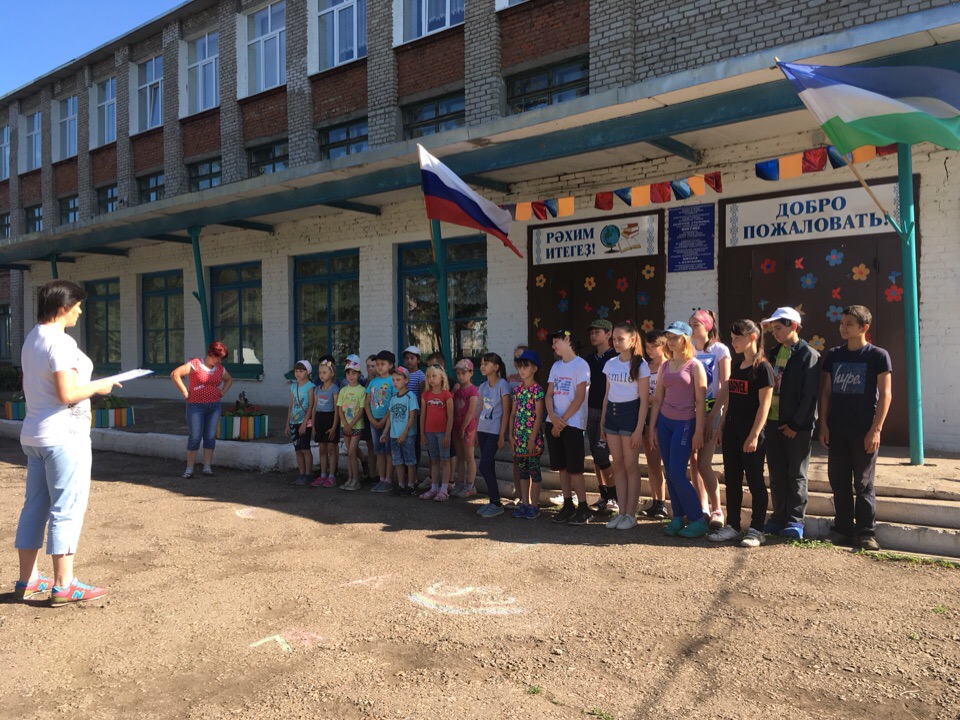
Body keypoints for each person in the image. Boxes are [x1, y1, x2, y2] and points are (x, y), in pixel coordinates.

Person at [14, 280, 119, 606]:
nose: (80, 311)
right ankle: (64, 584)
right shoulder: (60, 342)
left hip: (36, 435)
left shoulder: (32, 338)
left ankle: (28, 579)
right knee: (66, 508)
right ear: (63, 308)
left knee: (34, 507)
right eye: (77, 305)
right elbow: (67, 393)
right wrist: (99, 386)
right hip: (64, 437)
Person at [818, 305, 892, 551]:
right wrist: (823, 424)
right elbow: (825, 392)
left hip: (864, 430)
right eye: (842, 323)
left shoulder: (878, 356)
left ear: (864, 327)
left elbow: (886, 395)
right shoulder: (834, 355)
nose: (843, 327)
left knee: (863, 482)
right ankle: (841, 529)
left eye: (849, 323)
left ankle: (865, 532)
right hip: (837, 429)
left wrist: (876, 430)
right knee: (838, 480)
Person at [707, 320, 774, 546]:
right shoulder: (737, 366)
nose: (733, 342)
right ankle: (733, 526)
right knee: (732, 479)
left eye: (738, 338)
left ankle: (757, 530)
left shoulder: (763, 368)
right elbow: (730, 400)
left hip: (751, 433)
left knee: (755, 481)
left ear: (752, 337)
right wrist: (720, 426)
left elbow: (765, 406)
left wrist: (754, 435)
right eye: (732, 338)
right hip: (732, 431)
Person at [761, 307, 820, 539]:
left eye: (779, 328)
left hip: (797, 427)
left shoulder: (808, 355)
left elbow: (810, 395)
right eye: (773, 329)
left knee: (796, 473)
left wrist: (796, 424)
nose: (774, 333)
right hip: (773, 422)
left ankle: (795, 521)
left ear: (793, 326)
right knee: (776, 473)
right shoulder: (773, 353)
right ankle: (778, 517)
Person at [648, 321, 709, 538]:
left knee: (676, 472)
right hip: (665, 422)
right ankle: (677, 517)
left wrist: (699, 431)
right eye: (669, 337)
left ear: (685, 339)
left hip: (685, 423)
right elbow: (657, 398)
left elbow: (701, 401)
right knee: (669, 472)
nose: (671, 341)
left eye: (675, 337)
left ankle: (698, 519)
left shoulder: (695, 366)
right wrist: (652, 427)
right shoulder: (665, 366)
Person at [600, 322, 650, 530]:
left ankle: (631, 513)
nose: (616, 342)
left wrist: (639, 429)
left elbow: (644, 401)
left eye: (621, 339)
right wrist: (603, 421)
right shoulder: (610, 363)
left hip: (630, 415)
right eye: (614, 339)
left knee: (631, 465)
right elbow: (607, 394)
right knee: (618, 464)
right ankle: (621, 512)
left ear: (632, 340)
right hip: (612, 415)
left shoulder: (641, 365)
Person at [688, 309, 731, 530]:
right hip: (689, 411)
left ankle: (717, 509)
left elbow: (726, 383)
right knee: (693, 462)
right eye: (690, 325)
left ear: (707, 326)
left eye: (696, 325)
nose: (692, 329)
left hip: (710, 410)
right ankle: (702, 507)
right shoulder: (688, 349)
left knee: (704, 462)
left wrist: (715, 415)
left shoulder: (720, 350)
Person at [545, 329, 592, 526]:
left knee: (575, 469)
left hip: (572, 424)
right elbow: (549, 394)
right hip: (553, 423)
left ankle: (583, 507)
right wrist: (553, 418)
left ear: (567, 340)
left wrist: (562, 421)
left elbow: (580, 397)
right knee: (561, 467)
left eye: (556, 341)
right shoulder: (556, 366)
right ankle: (567, 504)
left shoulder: (581, 365)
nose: (554, 346)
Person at [170, 340, 233, 478]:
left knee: (210, 437)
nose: (219, 361)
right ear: (210, 354)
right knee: (195, 437)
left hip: (214, 406)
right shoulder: (196, 364)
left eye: (221, 358)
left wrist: (223, 392)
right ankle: (189, 469)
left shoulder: (220, 369)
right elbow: (175, 374)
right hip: (196, 406)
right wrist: (185, 391)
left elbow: (229, 380)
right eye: (218, 358)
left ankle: (207, 467)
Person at [585, 319, 618, 516]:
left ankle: (615, 496)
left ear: (608, 334)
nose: (593, 335)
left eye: (597, 332)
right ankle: (604, 495)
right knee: (595, 455)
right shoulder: (588, 359)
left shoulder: (616, 358)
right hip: (590, 411)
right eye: (591, 332)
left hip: (608, 412)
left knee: (603, 455)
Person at [509, 349, 546, 520]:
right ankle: (524, 502)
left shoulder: (537, 390)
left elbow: (539, 415)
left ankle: (534, 505)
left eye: (526, 366)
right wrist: (511, 435)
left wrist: (532, 438)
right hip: (519, 438)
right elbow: (513, 414)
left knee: (534, 472)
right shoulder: (517, 390)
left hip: (533, 440)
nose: (522, 370)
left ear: (534, 368)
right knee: (523, 472)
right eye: (520, 367)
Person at [475, 353, 511, 517]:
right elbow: (480, 410)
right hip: (482, 430)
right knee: (489, 466)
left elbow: (506, 412)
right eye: (482, 363)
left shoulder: (503, 385)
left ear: (496, 367)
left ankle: (496, 502)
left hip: (494, 431)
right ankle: (493, 501)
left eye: (487, 363)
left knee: (483, 466)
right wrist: (475, 432)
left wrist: (502, 435)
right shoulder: (483, 386)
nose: (483, 366)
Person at [641, 331, 669, 519]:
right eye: (647, 347)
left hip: (664, 417)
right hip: (646, 416)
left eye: (654, 346)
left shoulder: (668, 366)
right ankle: (656, 502)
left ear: (663, 345)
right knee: (652, 463)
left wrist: (649, 398)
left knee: (665, 462)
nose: (650, 350)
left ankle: (663, 503)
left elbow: (664, 396)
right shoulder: (644, 367)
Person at [382, 366, 419, 496]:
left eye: (398, 379)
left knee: (410, 461)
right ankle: (401, 485)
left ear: (406, 380)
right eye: (393, 380)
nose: (395, 382)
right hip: (394, 435)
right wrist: (385, 433)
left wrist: (404, 433)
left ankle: (411, 485)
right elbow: (390, 417)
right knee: (397, 461)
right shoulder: (393, 398)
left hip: (407, 435)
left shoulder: (410, 396)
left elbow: (412, 417)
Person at [420, 365, 454, 501]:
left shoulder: (447, 395)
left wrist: (447, 435)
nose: (431, 379)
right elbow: (423, 415)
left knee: (445, 460)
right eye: (429, 376)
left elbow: (450, 417)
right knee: (434, 460)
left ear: (442, 378)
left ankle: (444, 489)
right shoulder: (425, 395)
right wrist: (422, 433)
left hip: (442, 433)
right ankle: (434, 488)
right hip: (429, 432)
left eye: (434, 376)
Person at [366, 351, 397, 493]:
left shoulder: (392, 381)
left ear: (390, 365)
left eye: (382, 364)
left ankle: (388, 480)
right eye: (377, 364)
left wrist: (385, 419)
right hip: (374, 421)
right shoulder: (373, 382)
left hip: (388, 421)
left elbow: (394, 402)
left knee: (389, 451)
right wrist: (371, 418)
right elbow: (366, 402)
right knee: (379, 450)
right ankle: (382, 478)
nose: (379, 367)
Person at [337, 358, 368, 491]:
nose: (351, 376)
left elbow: (361, 410)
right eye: (348, 373)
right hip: (345, 426)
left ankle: (356, 479)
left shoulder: (362, 390)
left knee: (352, 452)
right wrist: (345, 424)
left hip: (356, 426)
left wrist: (351, 425)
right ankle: (350, 478)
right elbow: (340, 408)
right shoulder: (343, 390)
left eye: (354, 373)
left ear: (359, 374)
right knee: (349, 454)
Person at [452, 359, 479, 498]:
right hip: (456, 427)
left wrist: (463, 428)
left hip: (467, 429)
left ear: (471, 373)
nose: (460, 376)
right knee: (460, 457)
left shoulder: (473, 390)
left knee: (469, 457)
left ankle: (470, 485)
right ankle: (460, 483)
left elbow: (470, 412)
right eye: (458, 373)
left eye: (463, 373)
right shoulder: (457, 389)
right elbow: (449, 402)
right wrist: (453, 391)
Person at [286, 360, 316, 486]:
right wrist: (287, 423)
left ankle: (308, 475)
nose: (298, 374)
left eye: (301, 371)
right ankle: (301, 474)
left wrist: (305, 423)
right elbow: (291, 406)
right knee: (297, 450)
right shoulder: (294, 387)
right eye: (296, 371)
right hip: (294, 422)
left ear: (307, 372)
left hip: (305, 422)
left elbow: (311, 406)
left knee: (305, 448)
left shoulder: (310, 386)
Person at [311, 357, 340, 488]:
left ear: (331, 374)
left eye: (324, 372)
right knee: (322, 449)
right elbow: (314, 408)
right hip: (319, 420)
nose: (321, 375)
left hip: (330, 419)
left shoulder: (335, 389)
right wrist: (313, 425)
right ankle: (323, 474)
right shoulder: (317, 389)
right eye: (320, 373)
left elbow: (337, 409)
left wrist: (334, 426)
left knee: (331, 449)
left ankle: (332, 475)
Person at [403, 345, 426, 473]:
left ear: (418, 359)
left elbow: (421, 395)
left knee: (414, 442)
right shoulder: (402, 374)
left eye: (412, 358)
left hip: (415, 414)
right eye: (407, 358)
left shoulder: (421, 376)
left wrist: (417, 410)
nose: (409, 361)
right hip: (403, 413)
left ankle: (414, 472)